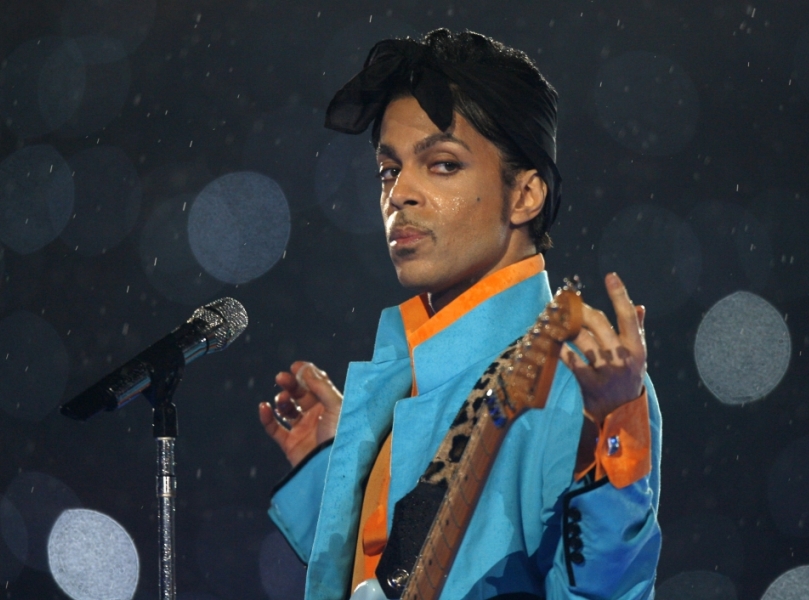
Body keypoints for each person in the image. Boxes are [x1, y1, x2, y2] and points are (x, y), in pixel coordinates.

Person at [259, 29, 661, 600]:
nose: (399, 193)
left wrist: (617, 436)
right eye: (388, 169)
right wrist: (341, 470)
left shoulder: (573, 375)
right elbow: (397, 574)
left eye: (443, 164)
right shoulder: (406, 380)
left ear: (525, 195)